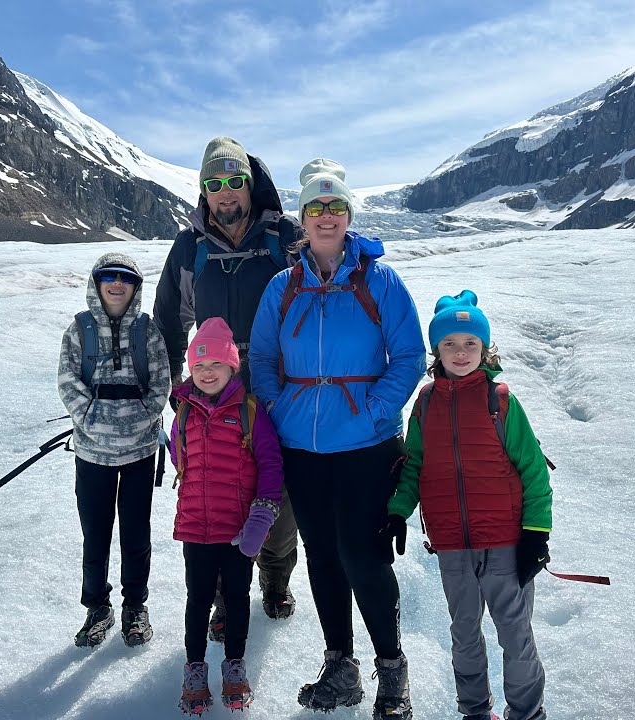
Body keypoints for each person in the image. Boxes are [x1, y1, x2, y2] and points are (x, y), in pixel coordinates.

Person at [249, 158, 426, 719]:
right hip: (302, 444)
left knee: (363, 555)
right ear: (303, 220)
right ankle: (340, 663)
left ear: (349, 216)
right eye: (316, 208)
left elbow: (408, 355)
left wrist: (376, 408)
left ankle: (392, 668)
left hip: (368, 445)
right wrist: (279, 404)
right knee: (322, 555)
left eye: (336, 207)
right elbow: (260, 356)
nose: (326, 217)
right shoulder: (283, 285)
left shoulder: (380, 280)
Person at [154, 136, 303, 634]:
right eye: (213, 184)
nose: (225, 193)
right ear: (204, 190)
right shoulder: (190, 246)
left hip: (273, 380)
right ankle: (221, 595)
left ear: (249, 183)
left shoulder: (284, 237)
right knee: (216, 486)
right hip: (211, 382)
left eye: (234, 181)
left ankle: (276, 580)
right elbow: (170, 320)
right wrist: (173, 390)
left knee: (274, 487)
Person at [383, 291, 553, 720]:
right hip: (453, 546)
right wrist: (398, 511)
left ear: (485, 348)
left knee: (515, 635)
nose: (461, 353)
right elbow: (415, 465)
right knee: (463, 635)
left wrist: (536, 532)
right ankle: (474, 711)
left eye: (470, 344)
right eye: (450, 344)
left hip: (506, 542)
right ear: (436, 350)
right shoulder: (424, 403)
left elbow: (533, 469)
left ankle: (527, 713)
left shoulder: (501, 401)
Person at [170, 317, 284, 715]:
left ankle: (235, 666)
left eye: (215, 364)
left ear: (233, 367)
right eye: (198, 366)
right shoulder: (183, 414)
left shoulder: (251, 412)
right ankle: (195, 669)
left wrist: (261, 519)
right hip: (196, 529)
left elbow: (271, 469)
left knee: (236, 599)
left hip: (238, 531)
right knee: (198, 600)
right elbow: (179, 459)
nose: (206, 372)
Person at [57, 253, 171, 649]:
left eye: (126, 278)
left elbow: (160, 382)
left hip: (140, 452)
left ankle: (135, 606)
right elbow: (68, 380)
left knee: (136, 534)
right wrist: (89, 417)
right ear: (97, 283)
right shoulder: (80, 329)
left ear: (136, 286)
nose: (117, 284)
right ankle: (97, 607)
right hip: (92, 454)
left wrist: (140, 417)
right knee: (96, 534)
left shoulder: (147, 330)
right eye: (109, 277)